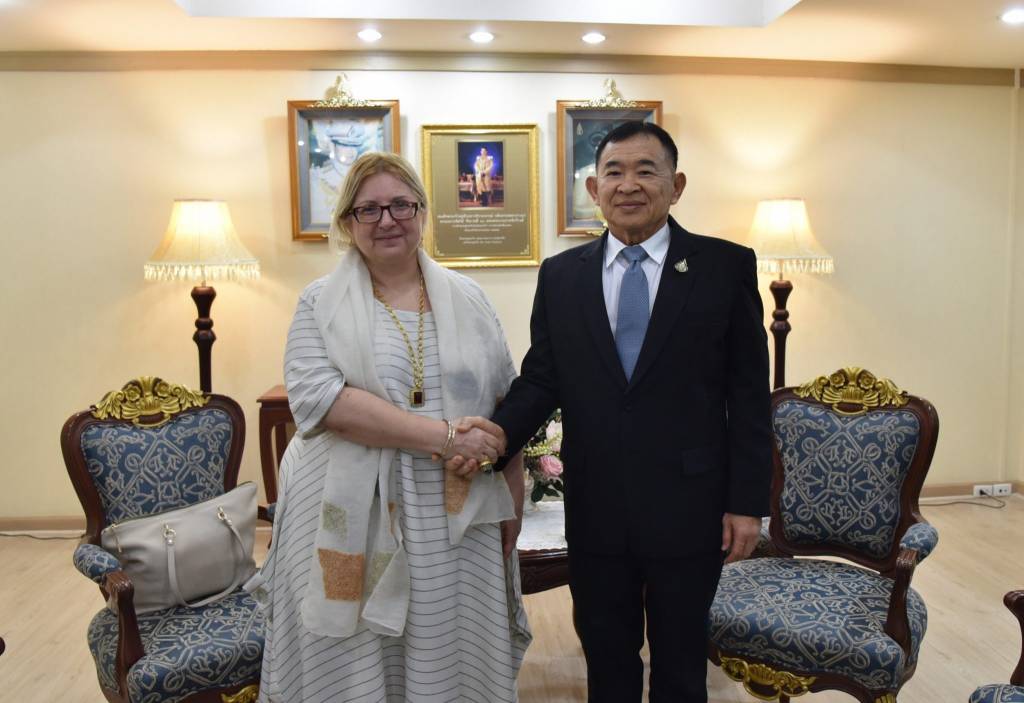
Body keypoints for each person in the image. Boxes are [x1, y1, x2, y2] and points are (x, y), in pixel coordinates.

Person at [452, 121, 772, 702]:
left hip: (690, 506)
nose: (629, 185)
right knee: (606, 659)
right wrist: (496, 436)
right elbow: (542, 377)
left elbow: (749, 396)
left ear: (676, 186)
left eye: (646, 171)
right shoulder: (562, 276)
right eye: (614, 172)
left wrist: (747, 504)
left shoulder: (724, 267)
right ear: (594, 189)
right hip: (597, 505)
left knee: (681, 666)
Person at [248, 151, 531, 703]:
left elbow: (502, 403)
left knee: (445, 647)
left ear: (422, 212)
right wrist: (444, 438)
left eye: (401, 205)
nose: (387, 220)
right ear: (347, 222)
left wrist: (513, 498)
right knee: (353, 656)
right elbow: (326, 403)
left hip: (454, 513)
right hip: (342, 510)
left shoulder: (470, 298)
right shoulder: (320, 302)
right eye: (369, 209)